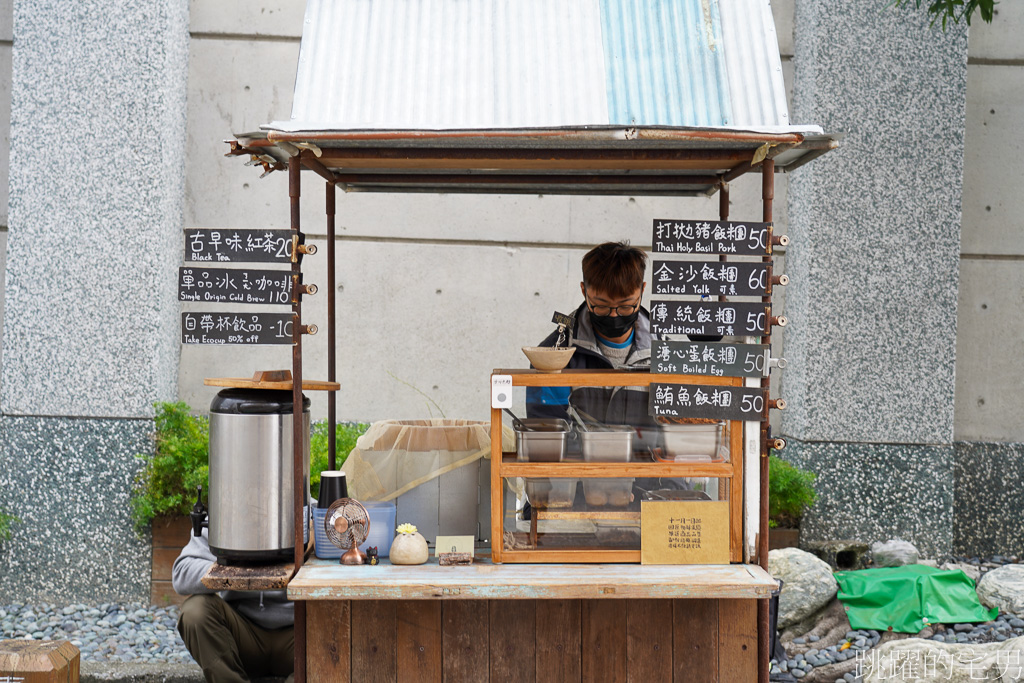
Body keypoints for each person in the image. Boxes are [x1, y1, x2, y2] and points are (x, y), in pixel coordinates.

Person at [526, 240, 654, 427]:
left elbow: (676, 429)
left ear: (642, 290)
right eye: (601, 306)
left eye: (625, 306)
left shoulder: (665, 352)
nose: (613, 315)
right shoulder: (554, 355)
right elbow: (547, 431)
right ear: (583, 290)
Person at [172, 528, 295, 683]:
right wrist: (240, 570)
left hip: (298, 636)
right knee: (195, 611)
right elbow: (181, 574)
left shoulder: (311, 514)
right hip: (242, 635)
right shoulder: (223, 513)